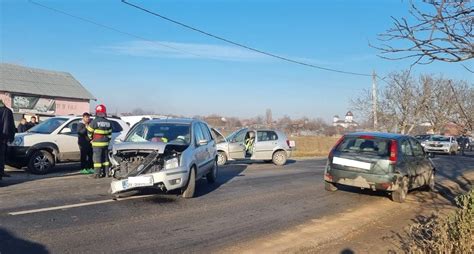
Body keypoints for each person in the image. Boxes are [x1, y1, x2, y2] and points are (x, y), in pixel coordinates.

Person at [87, 104, 113, 178]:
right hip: (105, 144)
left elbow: (89, 131)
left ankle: (97, 174)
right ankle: (106, 173)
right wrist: (107, 140)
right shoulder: (108, 122)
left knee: (97, 159)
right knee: (105, 159)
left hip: (97, 143)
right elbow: (110, 134)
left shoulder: (94, 122)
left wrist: (91, 139)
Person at [0, 99, 16, 180]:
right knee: (1, 156)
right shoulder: (8, 111)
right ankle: (1, 172)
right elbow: (11, 126)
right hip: (3, 138)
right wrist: (11, 137)